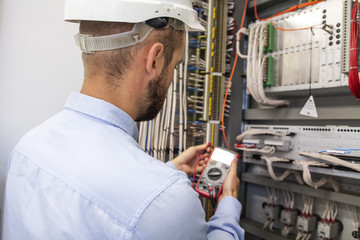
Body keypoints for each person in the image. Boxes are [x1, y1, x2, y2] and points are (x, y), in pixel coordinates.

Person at [2, 0, 245, 239]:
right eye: (176, 65)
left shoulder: (27, 148)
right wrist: (229, 203)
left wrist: (168, 171)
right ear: (155, 60)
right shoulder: (168, 202)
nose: (172, 77)